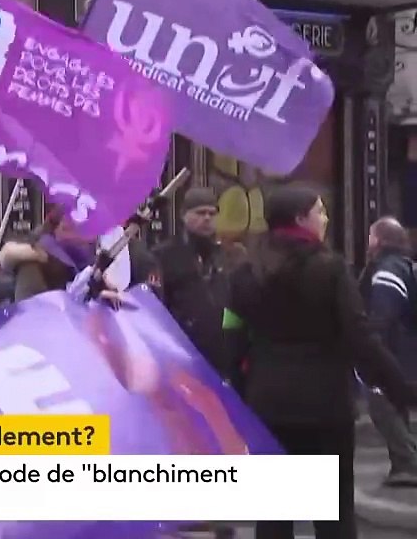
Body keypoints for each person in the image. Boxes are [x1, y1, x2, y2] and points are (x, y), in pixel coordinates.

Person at [225, 183, 417, 539]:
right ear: (301, 218)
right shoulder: (331, 270)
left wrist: (241, 394)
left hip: (267, 404)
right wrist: (401, 390)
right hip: (325, 407)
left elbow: (232, 334)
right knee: (332, 515)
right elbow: (360, 337)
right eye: (320, 211)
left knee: (274, 513)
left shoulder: (244, 274)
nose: (326, 218)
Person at [359, 216, 417, 487]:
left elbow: (384, 311)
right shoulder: (404, 265)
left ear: (379, 240)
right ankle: (401, 464)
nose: (368, 241)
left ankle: (407, 463)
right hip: (404, 355)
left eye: (371, 236)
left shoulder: (388, 270)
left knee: (381, 405)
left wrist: (373, 346)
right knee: (396, 405)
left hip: (391, 353)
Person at [152, 187, 232, 373]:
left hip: (222, 354)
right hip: (183, 352)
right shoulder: (164, 255)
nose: (207, 218)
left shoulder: (226, 256)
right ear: (183, 215)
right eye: (200, 213)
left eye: (212, 213)